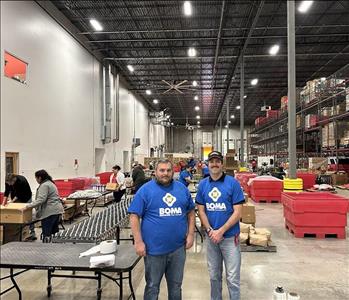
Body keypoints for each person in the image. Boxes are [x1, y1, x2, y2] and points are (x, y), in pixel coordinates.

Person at [128, 159, 195, 300]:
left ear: (173, 171)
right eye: (162, 170)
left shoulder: (181, 188)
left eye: (168, 170)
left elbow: (190, 212)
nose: (165, 173)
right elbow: (134, 216)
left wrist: (190, 235)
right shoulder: (145, 190)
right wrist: (138, 242)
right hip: (154, 250)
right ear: (155, 172)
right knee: (152, 286)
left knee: (176, 286)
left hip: (178, 249)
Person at [196, 151, 245, 300]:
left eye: (218, 161)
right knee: (214, 276)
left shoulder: (233, 183)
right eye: (212, 161)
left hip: (230, 238)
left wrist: (221, 231)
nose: (215, 164)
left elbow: (238, 212)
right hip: (212, 239)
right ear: (208, 164)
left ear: (222, 164)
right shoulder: (203, 184)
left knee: (232, 278)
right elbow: (201, 211)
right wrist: (211, 231)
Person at [24, 170, 64, 242]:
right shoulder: (51, 183)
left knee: (47, 233)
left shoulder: (44, 185)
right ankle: (55, 248)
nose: (36, 180)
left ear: (39, 178)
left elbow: (41, 200)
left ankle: (46, 248)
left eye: (36, 178)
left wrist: (28, 206)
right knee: (54, 232)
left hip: (49, 212)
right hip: (56, 211)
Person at [4, 174, 37, 240]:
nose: (9, 185)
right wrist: (4, 202)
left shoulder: (21, 181)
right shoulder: (8, 181)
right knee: (17, 214)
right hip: (16, 197)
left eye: (10, 183)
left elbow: (19, 194)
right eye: (8, 183)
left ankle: (32, 232)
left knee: (28, 215)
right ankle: (17, 232)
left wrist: (11, 201)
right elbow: (7, 192)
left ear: (14, 180)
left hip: (26, 197)